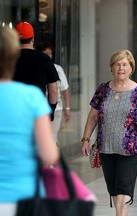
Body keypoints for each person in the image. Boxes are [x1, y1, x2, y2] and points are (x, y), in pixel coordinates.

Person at [80, 50, 137, 216]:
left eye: (124, 64)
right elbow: (93, 116)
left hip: (130, 150)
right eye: (117, 64)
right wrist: (86, 139)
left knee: (124, 189)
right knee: (114, 191)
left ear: (131, 68)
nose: (121, 68)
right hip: (106, 149)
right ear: (111, 68)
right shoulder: (103, 90)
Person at [0, 26, 59, 216]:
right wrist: (48, 113)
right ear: (32, 39)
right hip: (25, 193)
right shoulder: (33, 97)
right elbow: (49, 154)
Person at [13, 21, 59, 121]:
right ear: (33, 39)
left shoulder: (7, 58)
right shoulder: (44, 59)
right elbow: (53, 90)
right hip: (36, 113)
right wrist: (50, 112)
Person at [36, 42, 71, 144]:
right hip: (40, 110)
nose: (47, 55)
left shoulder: (58, 69)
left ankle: (52, 157)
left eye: (50, 53)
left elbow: (64, 89)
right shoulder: (37, 68)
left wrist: (67, 108)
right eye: (45, 52)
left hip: (56, 109)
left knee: (51, 137)